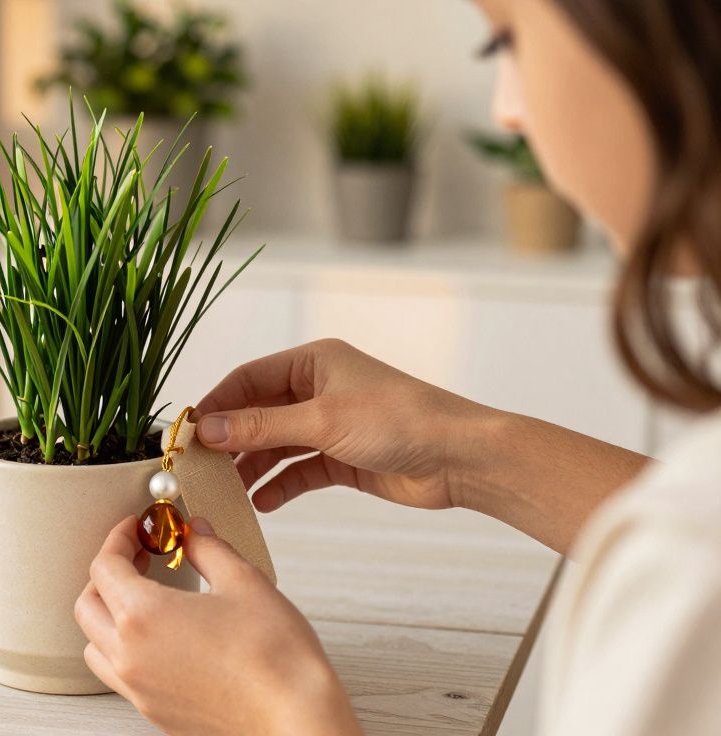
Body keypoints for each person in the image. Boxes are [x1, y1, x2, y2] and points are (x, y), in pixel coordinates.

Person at [74, 1, 721, 733]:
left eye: (507, 39)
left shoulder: (686, 577)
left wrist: (284, 715)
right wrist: (465, 452)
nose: (508, 111)